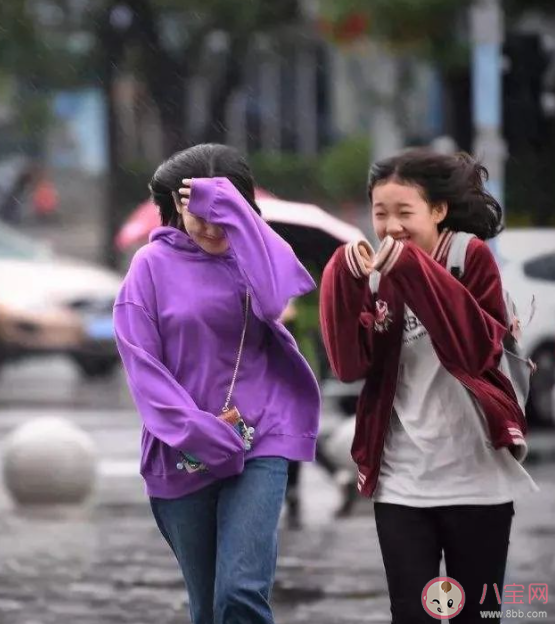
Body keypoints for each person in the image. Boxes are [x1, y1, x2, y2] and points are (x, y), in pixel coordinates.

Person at [319, 148, 538, 624]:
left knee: (474, 616)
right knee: (413, 615)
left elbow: (475, 350)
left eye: (404, 213)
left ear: (438, 211)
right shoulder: (376, 273)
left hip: (477, 479)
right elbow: (349, 364)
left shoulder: (468, 257)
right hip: (402, 481)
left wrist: (410, 269)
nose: (391, 226)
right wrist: (342, 279)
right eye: (380, 213)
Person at [114, 143, 321, 624]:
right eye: (197, 214)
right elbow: (143, 367)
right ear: (174, 209)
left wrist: (235, 215)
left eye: (220, 214)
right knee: (208, 608)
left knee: (241, 593)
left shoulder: (256, 260)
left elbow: (274, 300)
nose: (209, 227)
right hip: (181, 449)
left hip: (260, 439)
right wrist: (199, 433)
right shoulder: (149, 267)